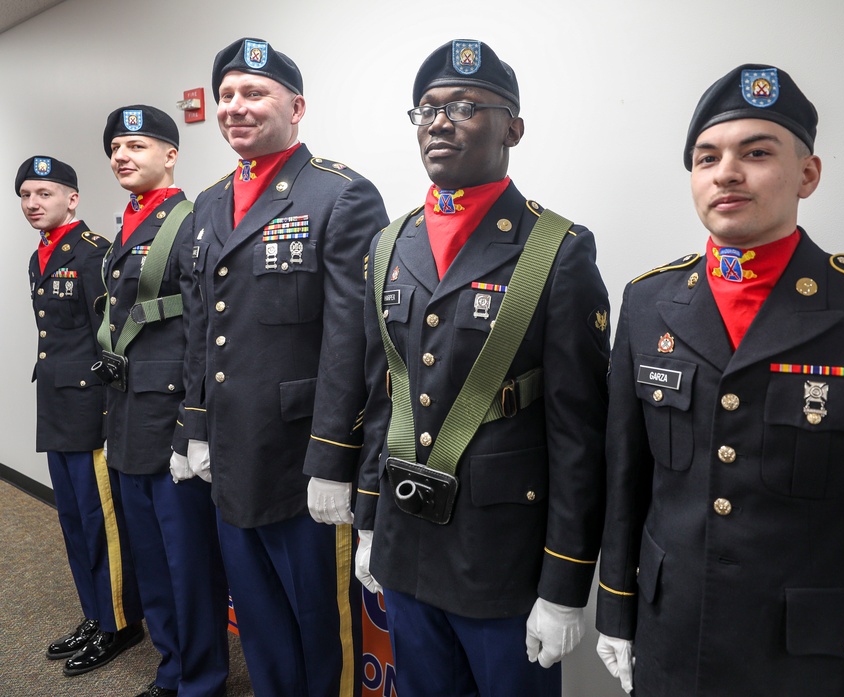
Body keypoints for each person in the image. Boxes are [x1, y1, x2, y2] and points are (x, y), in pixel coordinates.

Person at [595, 64, 844, 696]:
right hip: (671, 645)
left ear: (808, 174)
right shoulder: (649, 301)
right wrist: (616, 610)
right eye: (706, 157)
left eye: (757, 152)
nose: (726, 172)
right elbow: (626, 481)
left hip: (810, 667)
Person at [352, 39, 610, 696]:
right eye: (428, 109)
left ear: (512, 128)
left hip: (501, 560)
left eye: (466, 106)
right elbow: (385, 396)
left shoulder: (556, 250)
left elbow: (578, 434)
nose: (440, 121)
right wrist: (369, 521)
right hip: (406, 547)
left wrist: (564, 583)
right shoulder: (389, 243)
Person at [181, 37, 388, 697]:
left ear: (295, 107)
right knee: (261, 619)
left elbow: (354, 339)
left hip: (303, 460)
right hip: (233, 451)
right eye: (227, 95)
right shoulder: (210, 202)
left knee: (314, 622)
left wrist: (333, 458)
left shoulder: (340, 195)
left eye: (254, 93)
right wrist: (197, 425)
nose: (236, 107)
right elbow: (201, 323)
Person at [97, 104, 230, 697]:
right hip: (126, 416)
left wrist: (192, 425)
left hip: (170, 420)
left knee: (187, 565)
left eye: (138, 147)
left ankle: (200, 679)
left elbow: (204, 332)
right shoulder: (126, 223)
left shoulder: (190, 221)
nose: (123, 157)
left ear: (170, 155)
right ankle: (171, 667)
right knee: (151, 561)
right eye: (116, 150)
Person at [16, 155, 145, 676]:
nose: (32, 204)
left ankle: (119, 622)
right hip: (58, 406)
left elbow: (115, 335)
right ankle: (96, 613)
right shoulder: (40, 255)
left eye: (44, 193)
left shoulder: (94, 254)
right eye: (24, 195)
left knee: (102, 523)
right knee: (72, 521)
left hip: (92, 406)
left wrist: (115, 409)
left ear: (72, 198)